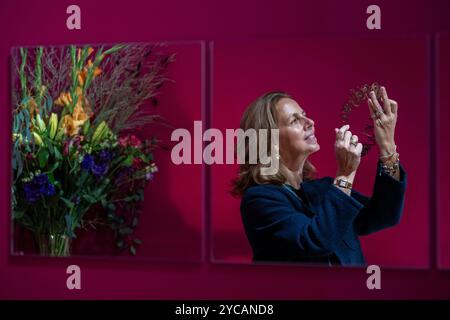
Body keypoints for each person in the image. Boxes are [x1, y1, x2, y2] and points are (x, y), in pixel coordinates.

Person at [231, 88, 407, 266]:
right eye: (294, 120)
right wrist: (345, 175)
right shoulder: (260, 199)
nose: (310, 122)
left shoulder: (325, 189)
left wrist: (387, 147)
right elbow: (316, 242)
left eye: (304, 115)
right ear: (270, 141)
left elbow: (384, 214)